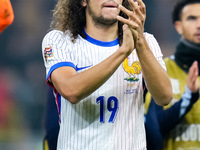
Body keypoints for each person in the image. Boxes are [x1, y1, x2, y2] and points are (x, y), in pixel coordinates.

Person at [42, 0, 173, 149]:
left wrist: (140, 42)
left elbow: (165, 97)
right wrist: (123, 52)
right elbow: (70, 90)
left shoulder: (146, 41)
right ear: (84, 1)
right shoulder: (60, 40)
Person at [144, 0, 200, 149]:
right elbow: (153, 128)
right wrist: (189, 97)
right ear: (178, 26)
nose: (199, 24)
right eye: (192, 18)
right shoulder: (162, 70)